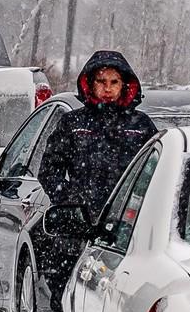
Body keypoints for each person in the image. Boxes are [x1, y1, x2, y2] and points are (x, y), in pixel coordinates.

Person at [39, 50, 159, 218]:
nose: (108, 88)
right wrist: (70, 202)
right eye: (101, 81)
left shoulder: (141, 125)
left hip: (127, 222)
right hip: (79, 224)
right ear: (91, 83)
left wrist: (137, 203)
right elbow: (49, 169)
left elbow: (157, 170)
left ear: (123, 85)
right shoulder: (73, 123)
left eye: (114, 82)